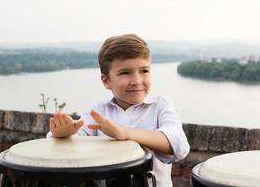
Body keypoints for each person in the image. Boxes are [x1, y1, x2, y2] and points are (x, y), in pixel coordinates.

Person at [48, 34, 190, 187]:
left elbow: (178, 144)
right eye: (125, 73)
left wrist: (124, 133)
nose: (137, 81)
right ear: (106, 81)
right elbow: (75, 140)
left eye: (144, 71)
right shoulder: (99, 111)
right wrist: (62, 134)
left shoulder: (160, 105)